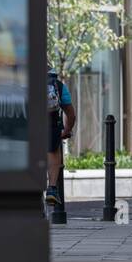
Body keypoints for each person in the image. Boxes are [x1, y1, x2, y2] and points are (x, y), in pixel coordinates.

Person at [45, 69, 76, 205]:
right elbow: (71, 114)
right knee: (53, 149)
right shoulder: (58, 85)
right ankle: (52, 188)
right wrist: (67, 131)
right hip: (50, 124)